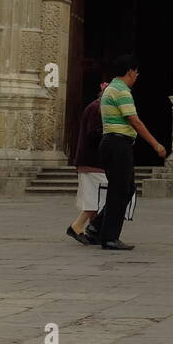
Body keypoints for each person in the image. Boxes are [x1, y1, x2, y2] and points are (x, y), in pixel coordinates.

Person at [96, 54, 166, 251]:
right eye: (136, 72)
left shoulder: (111, 88)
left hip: (112, 143)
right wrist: (155, 144)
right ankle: (109, 237)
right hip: (118, 144)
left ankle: (97, 227)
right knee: (119, 190)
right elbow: (134, 120)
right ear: (129, 71)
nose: (137, 76)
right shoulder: (122, 91)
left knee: (125, 189)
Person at [68, 83, 108, 245]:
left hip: (91, 161)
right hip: (92, 161)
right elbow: (94, 133)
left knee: (96, 197)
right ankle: (78, 226)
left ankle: (94, 230)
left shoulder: (97, 107)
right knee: (101, 197)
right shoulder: (97, 109)